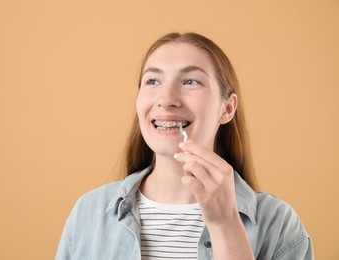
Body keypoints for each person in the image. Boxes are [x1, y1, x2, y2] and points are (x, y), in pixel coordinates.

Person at [55, 32, 314, 259]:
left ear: (226, 108)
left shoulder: (279, 224)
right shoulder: (89, 213)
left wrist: (225, 224)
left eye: (191, 81)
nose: (166, 100)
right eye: (153, 81)